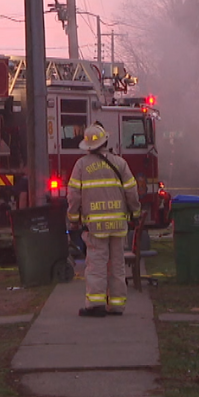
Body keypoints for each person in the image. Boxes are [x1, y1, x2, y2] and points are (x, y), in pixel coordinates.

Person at [66, 123, 141, 317]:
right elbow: (131, 192)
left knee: (96, 264)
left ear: (88, 146)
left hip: (95, 226)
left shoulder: (81, 165)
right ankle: (116, 305)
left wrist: (73, 218)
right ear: (105, 141)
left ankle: (96, 305)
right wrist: (135, 213)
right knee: (117, 264)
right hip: (118, 224)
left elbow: (73, 195)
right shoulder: (120, 163)